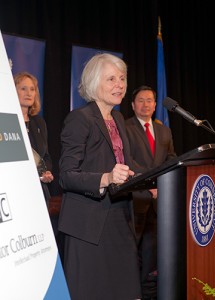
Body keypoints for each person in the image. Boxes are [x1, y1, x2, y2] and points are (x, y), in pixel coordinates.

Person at [58, 53, 145, 300]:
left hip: (119, 217)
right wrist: (106, 178)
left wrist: (157, 177)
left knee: (125, 290)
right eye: (111, 79)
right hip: (88, 225)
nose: (119, 85)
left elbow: (126, 164)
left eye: (122, 78)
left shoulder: (118, 118)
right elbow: (67, 175)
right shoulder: (80, 119)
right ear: (95, 83)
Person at [126, 85, 176, 300]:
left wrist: (163, 185)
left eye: (150, 101)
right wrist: (150, 183)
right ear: (132, 105)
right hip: (135, 198)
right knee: (130, 249)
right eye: (141, 100)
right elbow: (128, 160)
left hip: (159, 201)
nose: (146, 104)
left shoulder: (164, 130)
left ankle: (147, 292)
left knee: (151, 252)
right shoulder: (125, 127)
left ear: (155, 105)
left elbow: (171, 158)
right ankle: (129, 290)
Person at [14, 72, 54, 207]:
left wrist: (45, 172)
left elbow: (46, 157)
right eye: (23, 88)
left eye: (32, 89)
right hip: (16, 190)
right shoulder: (6, 121)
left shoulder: (39, 122)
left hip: (39, 192)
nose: (29, 93)